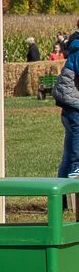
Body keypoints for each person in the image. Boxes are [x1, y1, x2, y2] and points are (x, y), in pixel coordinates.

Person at [53, 35, 79, 178]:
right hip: (74, 103)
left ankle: (61, 195)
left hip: (70, 104)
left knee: (69, 152)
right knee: (76, 139)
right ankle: (77, 168)